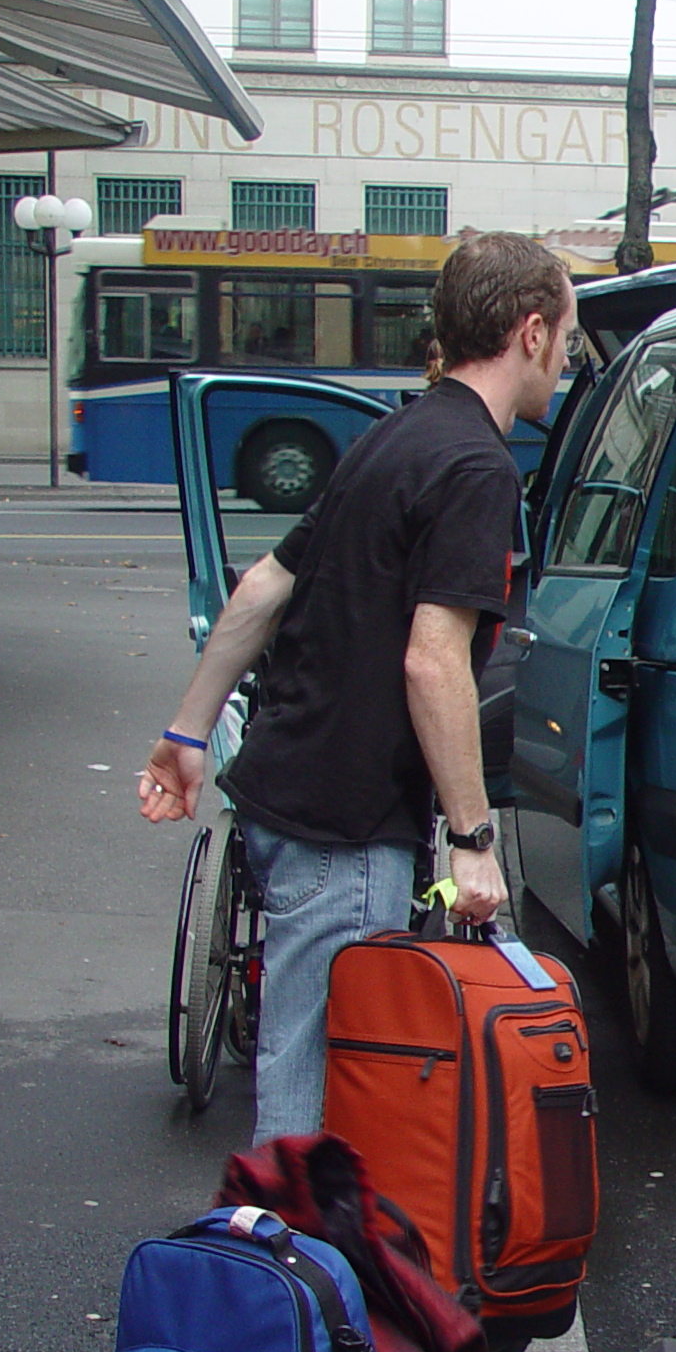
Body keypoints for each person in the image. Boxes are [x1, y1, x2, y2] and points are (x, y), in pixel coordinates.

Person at [137, 231, 575, 1142]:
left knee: (310, 1071)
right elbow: (432, 659)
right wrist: (473, 837)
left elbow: (260, 588)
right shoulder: (477, 465)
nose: (567, 361)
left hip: (281, 788)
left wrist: (187, 734)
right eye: (566, 337)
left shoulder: (394, 435)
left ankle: (304, 1268)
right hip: (344, 822)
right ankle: (284, 1270)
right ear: (531, 332)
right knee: (315, 1105)